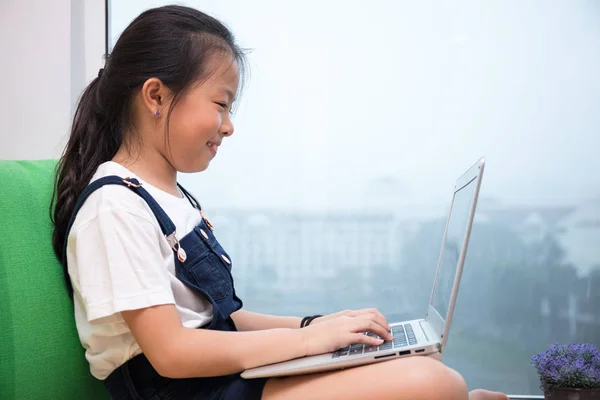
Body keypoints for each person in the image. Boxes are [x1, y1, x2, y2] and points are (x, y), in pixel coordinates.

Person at [51, 5, 511, 400]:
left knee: (433, 378)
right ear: (156, 96)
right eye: (221, 103)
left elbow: (222, 321)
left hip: (223, 380)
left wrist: (314, 325)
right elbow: (172, 353)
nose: (228, 126)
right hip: (191, 390)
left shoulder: (169, 198)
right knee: (431, 383)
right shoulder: (114, 207)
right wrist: (310, 342)